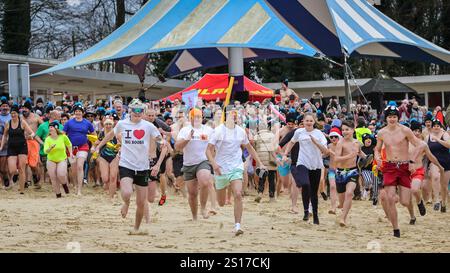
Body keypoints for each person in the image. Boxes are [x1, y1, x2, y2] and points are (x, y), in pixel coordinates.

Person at [96, 99, 162, 235]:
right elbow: (110, 134)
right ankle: (126, 203)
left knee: (141, 202)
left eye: (140, 111)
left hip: (143, 166)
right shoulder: (122, 123)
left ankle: (137, 228)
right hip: (126, 164)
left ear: (143, 112)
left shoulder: (148, 126)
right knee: (126, 192)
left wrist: (163, 143)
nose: (137, 113)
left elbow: (159, 139)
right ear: (130, 111)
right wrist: (99, 146)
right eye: (135, 110)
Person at [206, 107, 265, 236]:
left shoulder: (240, 131)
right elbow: (208, 150)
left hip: (236, 166)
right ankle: (222, 193)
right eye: (231, 114)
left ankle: (237, 226)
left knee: (238, 194)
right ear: (226, 117)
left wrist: (260, 163)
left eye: (235, 115)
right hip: (220, 169)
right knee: (221, 203)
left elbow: (249, 148)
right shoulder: (218, 131)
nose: (234, 117)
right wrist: (214, 164)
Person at [374, 105, 422, 237]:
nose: (392, 119)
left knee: (405, 201)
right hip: (389, 167)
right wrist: (377, 158)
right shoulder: (382, 132)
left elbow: (419, 145)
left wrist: (412, 161)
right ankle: (396, 229)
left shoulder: (406, 130)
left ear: (398, 118)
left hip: (404, 166)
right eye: (390, 117)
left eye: (394, 117)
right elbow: (377, 149)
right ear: (386, 118)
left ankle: (413, 213)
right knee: (390, 198)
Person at [282, 113, 329, 224]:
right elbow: (292, 142)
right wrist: (285, 154)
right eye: (306, 121)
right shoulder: (299, 132)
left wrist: (315, 142)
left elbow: (326, 151)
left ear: (314, 122)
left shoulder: (319, 134)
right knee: (305, 184)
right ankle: (306, 211)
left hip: (316, 164)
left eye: (310, 121)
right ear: (303, 121)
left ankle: (315, 216)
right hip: (302, 162)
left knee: (313, 191)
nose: (308, 123)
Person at [175, 108, 214, 220]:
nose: (197, 119)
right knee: (192, 194)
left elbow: (214, 146)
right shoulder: (185, 130)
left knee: (205, 182)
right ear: (190, 118)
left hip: (203, 161)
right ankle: (194, 216)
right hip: (188, 163)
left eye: (199, 117)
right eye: (194, 117)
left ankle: (203, 208)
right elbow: (177, 146)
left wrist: (214, 161)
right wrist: (187, 139)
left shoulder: (208, 130)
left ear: (202, 118)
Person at [406, 121, 444, 222]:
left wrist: (439, 166)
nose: (417, 133)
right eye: (414, 131)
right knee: (407, 198)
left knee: (414, 190)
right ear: (411, 131)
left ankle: (419, 202)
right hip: (405, 172)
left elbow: (431, 157)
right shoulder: (405, 143)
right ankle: (412, 216)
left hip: (418, 170)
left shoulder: (423, 144)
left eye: (419, 131)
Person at [332, 120, 364, 227]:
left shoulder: (357, 142)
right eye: (343, 130)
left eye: (347, 129)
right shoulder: (340, 143)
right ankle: (341, 206)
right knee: (342, 200)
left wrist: (370, 158)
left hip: (353, 171)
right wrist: (350, 156)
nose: (345, 132)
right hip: (340, 173)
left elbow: (362, 154)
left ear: (353, 129)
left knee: (349, 193)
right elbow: (336, 158)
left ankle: (343, 218)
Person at [0, 104, 35, 194]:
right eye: (11, 113)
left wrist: (31, 136)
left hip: (22, 147)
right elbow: (4, 135)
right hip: (11, 147)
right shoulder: (8, 123)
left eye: (14, 113)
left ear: (17, 114)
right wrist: (1, 146)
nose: (13, 115)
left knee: (21, 168)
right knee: (12, 170)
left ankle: (22, 189)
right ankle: (16, 175)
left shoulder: (22, 122)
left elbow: (32, 133)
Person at [63, 104, 95, 195]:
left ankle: (79, 190)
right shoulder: (68, 123)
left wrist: (93, 146)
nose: (78, 113)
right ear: (74, 112)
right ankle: (75, 185)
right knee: (73, 169)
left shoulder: (87, 123)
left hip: (83, 146)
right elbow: (63, 134)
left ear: (82, 113)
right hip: (71, 147)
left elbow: (94, 135)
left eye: (80, 111)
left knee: (80, 166)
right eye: (76, 111)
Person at [91, 118, 120, 200]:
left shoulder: (116, 134)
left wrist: (118, 148)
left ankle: (112, 194)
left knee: (113, 176)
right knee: (105, 178)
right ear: (104, 125)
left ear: (112, 125)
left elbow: (121, 143)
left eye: (110, 124)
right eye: (106, 124)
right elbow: (96, 143)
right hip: (103, 157)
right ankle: (107, 189)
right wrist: (93, 148)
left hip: (114, 157)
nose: (108, 126)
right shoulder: (102, 134)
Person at [44, 121, 72, 198]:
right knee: (53, 177)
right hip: (51, 159)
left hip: (62, 158)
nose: (50, 129)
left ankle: (64, 185)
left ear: (56, 128)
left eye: (51, 127)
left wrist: (71, 153)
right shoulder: (48, 139)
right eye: (49, 127)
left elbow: (69, 145)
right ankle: (58, 194)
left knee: (61, 174)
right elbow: (45, 151)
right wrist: (50, 148)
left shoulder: (63, 137)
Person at [427, 119, 450, 212]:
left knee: (444, 185)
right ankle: (436, 200)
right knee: (435, 177)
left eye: (438, 126)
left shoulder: (445, 134)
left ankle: (443, 203)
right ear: (431, 127)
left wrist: (437, 140)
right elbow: (425, 149)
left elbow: (449, 145)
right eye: (434, 126)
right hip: (434, 161)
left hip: (446, 161)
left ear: (440, 127)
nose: (436, 127)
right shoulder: (428, 137)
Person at [21, 101, 43, 189]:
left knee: (34, 164)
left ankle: (36, 178)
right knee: (24, 163)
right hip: (23, 142)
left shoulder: (36, 117)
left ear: (30, 109)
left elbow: (44, 127)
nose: (24, 110)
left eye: (26, 108)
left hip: (34, 142)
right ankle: (26, 181)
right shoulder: (20, 118)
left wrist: (41, 137)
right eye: (23, 108)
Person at [0, 98, 11, 188]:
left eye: (6, 106)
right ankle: (4, 181)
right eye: (3, 106)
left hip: (7, 144)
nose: (5, 107)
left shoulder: (12, 117)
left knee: (4, 166)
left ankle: (7, 179)